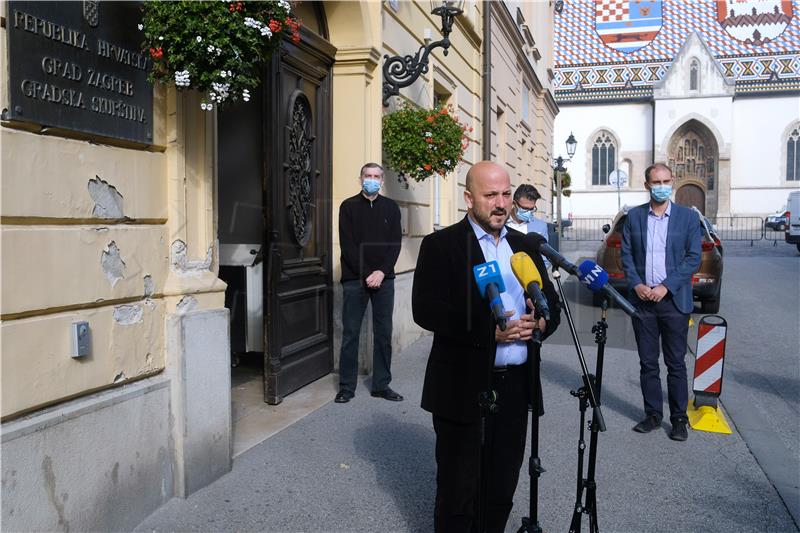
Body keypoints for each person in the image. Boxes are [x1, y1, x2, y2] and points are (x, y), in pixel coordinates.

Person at [412, 161, 560, 532]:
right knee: (458, 491)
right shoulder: (441, 245)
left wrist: (540, 321)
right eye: (490, 194)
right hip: (463, 384)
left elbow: (552, 307)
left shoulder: (526, 246)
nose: (500, 203)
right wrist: (486, 331)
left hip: (515, 385)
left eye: (506, 194)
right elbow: (426, 310)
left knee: (501, 487)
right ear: (468, 198)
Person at [620, 163, 702, 442]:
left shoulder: (687, 219)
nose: (662, 185)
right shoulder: (634, 217)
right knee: (648, 363)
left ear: (673, 182)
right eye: (656, 182)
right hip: (643, 302)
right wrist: (638, 284)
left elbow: (693, 258)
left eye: (666, 181)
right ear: (647, 185)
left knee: (676, 363)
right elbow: (627, 256)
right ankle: (653, 414)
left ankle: (679, 418)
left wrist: (666, 287)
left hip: (673, 302)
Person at [336, 163, 403, 404]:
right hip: (355, 279)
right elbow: (348, 245)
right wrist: (367, 273)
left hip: (385, 280)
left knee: (383, 333)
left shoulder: (392, 208)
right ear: (360, 179)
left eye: (376, 176)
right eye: (367, 176)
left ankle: (381, 385)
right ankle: (346, 387)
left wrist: (382, 272)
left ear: (382, 181)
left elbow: (395, 243)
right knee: (351, 333)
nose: (371, 179)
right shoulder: (348, 207)